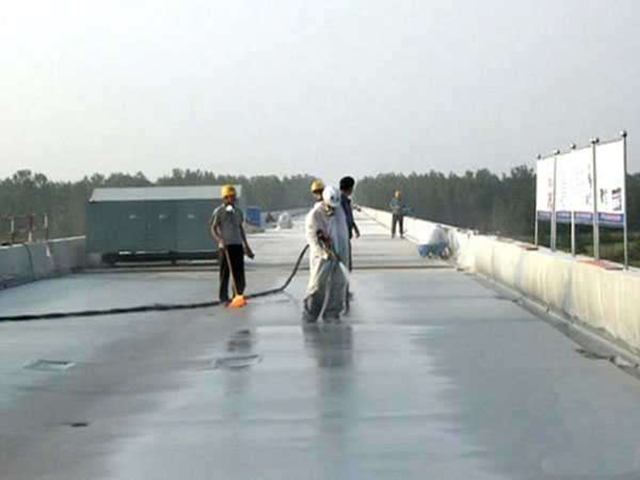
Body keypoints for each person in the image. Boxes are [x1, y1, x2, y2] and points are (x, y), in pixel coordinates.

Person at [303, 186, 349, 323]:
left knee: (339, 283)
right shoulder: (315, 215)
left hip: (339, 254)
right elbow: (312, 238)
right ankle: (311, 313)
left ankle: (332, 313)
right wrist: (324, 252)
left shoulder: (339, 212)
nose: (332, 209)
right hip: (321, 257)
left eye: (335, 207)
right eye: (330, 206)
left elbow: (343, 234)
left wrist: (342, 253)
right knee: (317, 284)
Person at [209, 185, 255, 304]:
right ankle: (223, 298)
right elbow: (213, 228)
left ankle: (238, 295)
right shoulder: (219, 211)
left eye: (234, 196)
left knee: (239, 273)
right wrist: (220, 240)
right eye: (230, 197)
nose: (233, 199)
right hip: (225, 247)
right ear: (225, 197)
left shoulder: (238, 212)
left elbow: (240, 228)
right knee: (225, 274)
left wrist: (246, 246)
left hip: (237, 245)